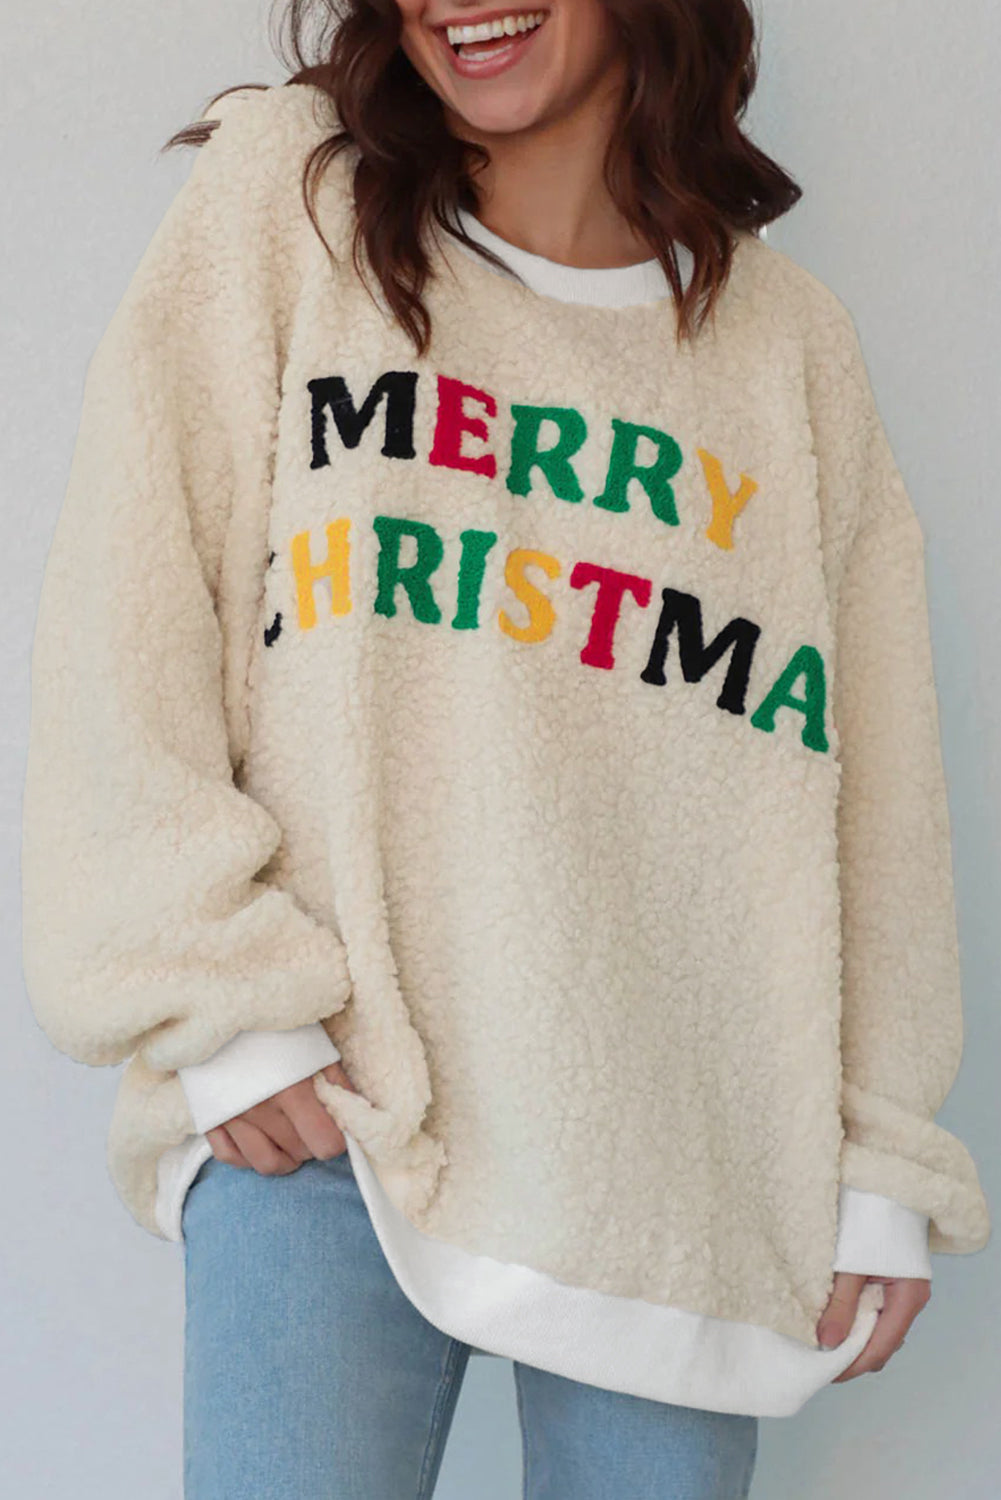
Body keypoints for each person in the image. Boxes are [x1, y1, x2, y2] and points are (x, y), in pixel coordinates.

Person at [21, 2, 991, 1496]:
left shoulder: (785, 349)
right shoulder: (295, 207)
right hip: (336, 1115)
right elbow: (131, 606)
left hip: (675, 1160)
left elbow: (875, 784)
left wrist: (877, 1155)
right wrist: (222, 1008)